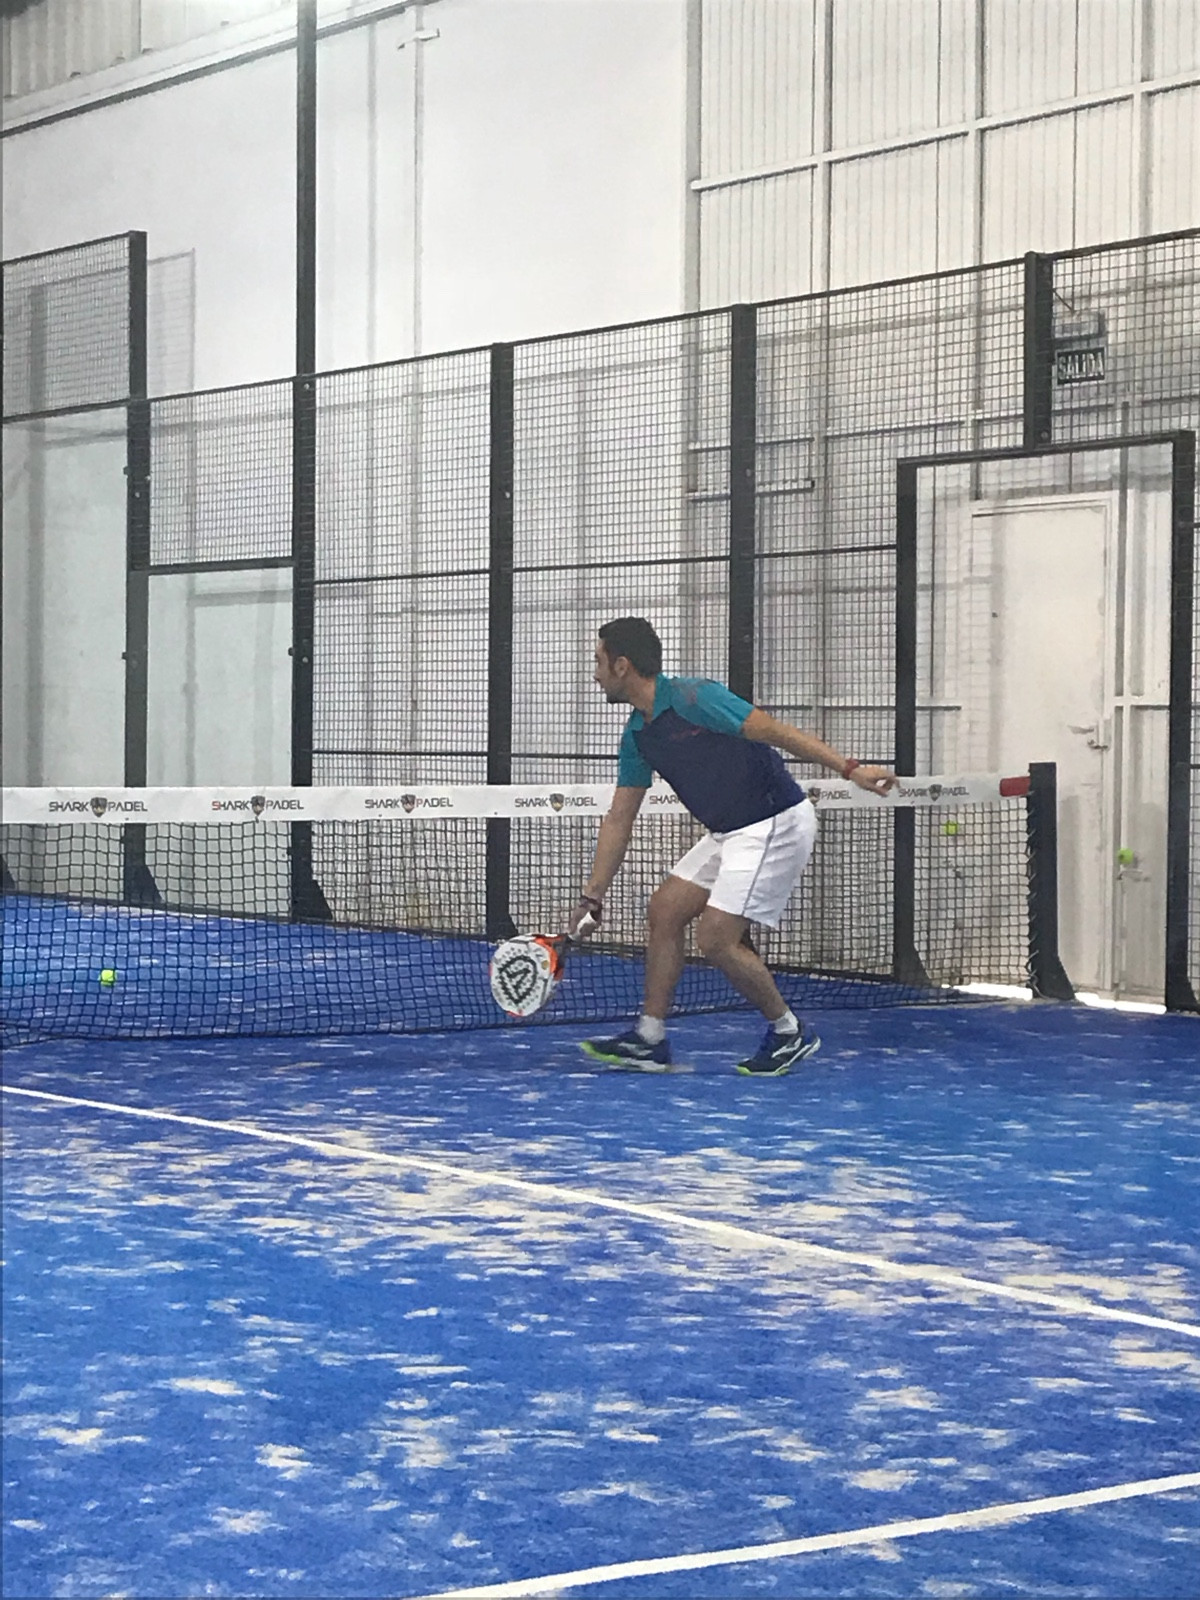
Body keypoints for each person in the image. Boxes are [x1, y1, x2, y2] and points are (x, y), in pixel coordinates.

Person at [567, 617, 897, 1075]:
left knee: (716, 938)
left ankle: (789, 1032)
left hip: (774, 820)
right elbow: (620, 818)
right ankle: (650, 1038)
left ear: (622, 665)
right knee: (665, 909)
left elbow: (776, 731)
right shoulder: (638, 735)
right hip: (730, 831)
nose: (595, 674)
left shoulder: (695, 698)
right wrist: (592, 897)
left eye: (598, 662)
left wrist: (850, 768)